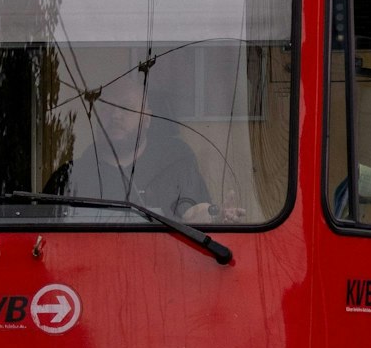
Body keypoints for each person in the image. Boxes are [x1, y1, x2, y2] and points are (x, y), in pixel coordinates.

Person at [42, 55, 243, 225]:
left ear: (146, 118)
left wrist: (212, 217)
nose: (115, 115)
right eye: (107, 106)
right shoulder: (68, 178)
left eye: (126, 107)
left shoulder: (178, 171)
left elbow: (196, 216)